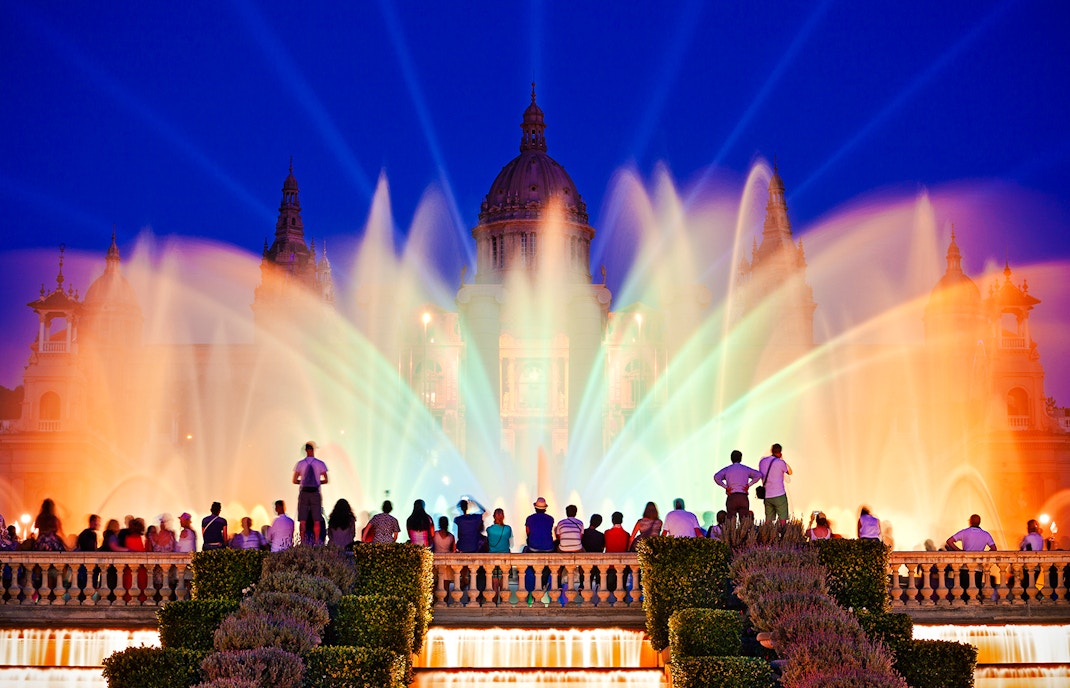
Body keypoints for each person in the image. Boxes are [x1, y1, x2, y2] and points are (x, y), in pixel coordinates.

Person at [292, 440, 328, 544]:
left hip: (304, 492)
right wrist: (318, 482)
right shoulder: (320, 463)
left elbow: (294, 480)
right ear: (313, 450)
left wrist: (302, 481)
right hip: (315, 492)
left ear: (305, 450)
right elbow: (326, 480)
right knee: (317, 519)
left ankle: (303, 542)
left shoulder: (300, 464)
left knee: (302, 519)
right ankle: (316, 541)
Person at [714, 450, 763, 522]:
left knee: (731, 522)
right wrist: (749, 484)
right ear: (741, 458)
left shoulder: (728, 469)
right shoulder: (745, 469)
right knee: (744, 522)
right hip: (743, 496)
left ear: (731, 459)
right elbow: (758, 475)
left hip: (732, 496)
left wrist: (725, 487)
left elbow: (716, 477)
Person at [758, 444, 793, 523]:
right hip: (779, 494)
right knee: (782, 520)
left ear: (771, 450)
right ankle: (783, 534)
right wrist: (782, 459)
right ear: (780, 452)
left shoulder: (762, 461)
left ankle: (766, 534)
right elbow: (790, 472)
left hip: (767, 495)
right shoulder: (780, 462)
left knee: (768, 520)